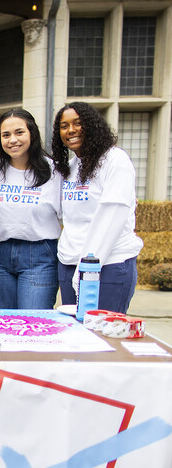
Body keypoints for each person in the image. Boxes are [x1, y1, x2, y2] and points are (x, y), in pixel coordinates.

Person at [52, 101, 143, 313]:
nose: (71, 130)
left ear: (92, 125)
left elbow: (113, 216)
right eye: (64, 126)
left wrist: (88, 267)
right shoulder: (72, 167)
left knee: (103, 336)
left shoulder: (115, 160)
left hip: (109, 264)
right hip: (70, 263)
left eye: (78, 123)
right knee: (75, 337)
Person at [0, 108, 60, 309]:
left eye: (19, 132)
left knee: (33, 324)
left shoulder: (54, 171)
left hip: (40, 254)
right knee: (4, 324)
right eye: (6, 135)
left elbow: (75, 209)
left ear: (32, 133)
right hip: (0, 253)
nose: (12, 140)